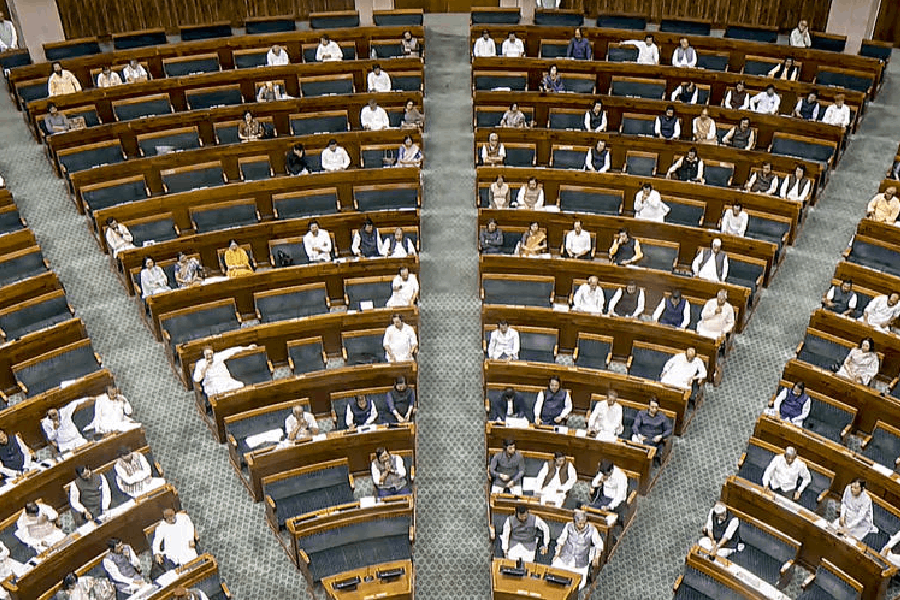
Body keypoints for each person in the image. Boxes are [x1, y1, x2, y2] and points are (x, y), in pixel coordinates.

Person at [552, 510, 602, 589]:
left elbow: (599, 544)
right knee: (554, 576)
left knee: (577, 585)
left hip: (581, 562)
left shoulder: (592, 529)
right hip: (565, 557)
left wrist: (596, 557)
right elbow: (561, 540)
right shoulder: (569, 526)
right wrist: (557, 553)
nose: (582, 526)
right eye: (580, 523)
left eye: (584, 523)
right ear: (575, 522)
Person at [192, 345, 257, 396]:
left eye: (210, 354)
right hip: (213, 385)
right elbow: (196, 379)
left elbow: (232, 350)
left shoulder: (218, 356)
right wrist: (205, 368)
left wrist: (248, 348)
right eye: (207, 354)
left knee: (240, 385)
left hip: (225, 380)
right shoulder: (201, 364)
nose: (209, 356)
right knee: (222, 392)